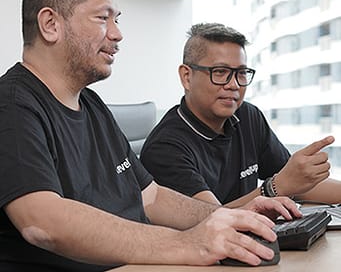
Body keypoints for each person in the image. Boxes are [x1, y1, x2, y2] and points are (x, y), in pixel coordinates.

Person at [0, 0, 301, 272]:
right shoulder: (12, 106)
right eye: (103, 18)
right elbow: (42, 222)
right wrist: (186, 244)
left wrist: (228, 215)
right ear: (51, 24)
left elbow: (151, 197)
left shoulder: (91, 104)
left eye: (116, 20)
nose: (117, 34)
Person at [140, 22, 341, 208]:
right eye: (219, 72)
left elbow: (296, 183)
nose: (234, 84)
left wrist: (293, 180)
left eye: (241, 73)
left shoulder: (247, 116)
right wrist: (274, 188)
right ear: (187, 77)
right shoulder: (165, 148)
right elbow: (211, 220)